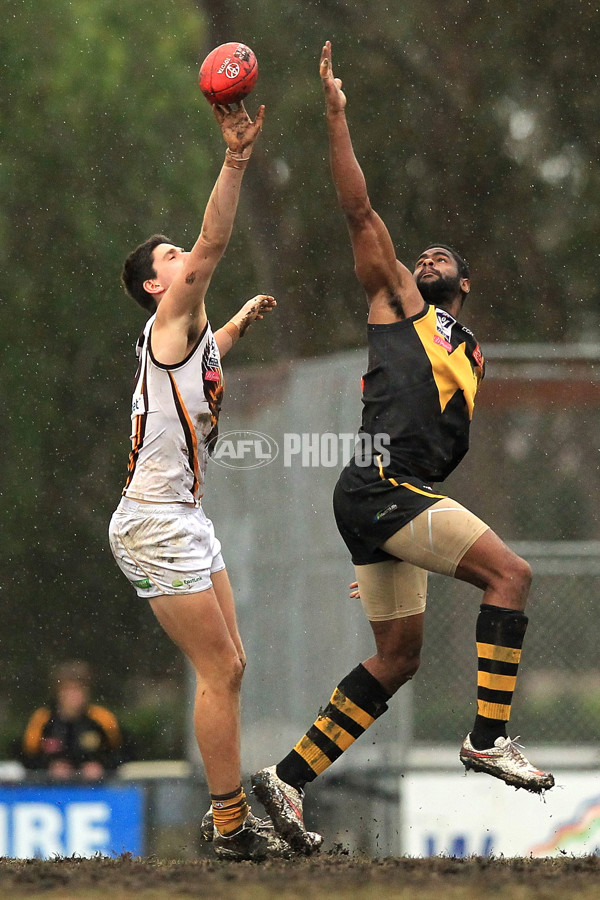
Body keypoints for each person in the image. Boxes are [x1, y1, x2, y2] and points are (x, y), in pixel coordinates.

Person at [251, 41, 554, 855]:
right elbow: (358, 211)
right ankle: (490, 738)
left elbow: (441, 437)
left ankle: (284, 782)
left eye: (440, 257)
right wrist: (337, 118)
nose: (425, 258)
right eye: (419, 257)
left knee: (399, 656)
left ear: (467, 280)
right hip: (383, 487)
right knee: (511, 575)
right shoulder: (401, 305)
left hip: (387, 501)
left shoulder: (469, 345)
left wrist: (392, 540)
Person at [108, 99, 312, 861]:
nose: (181, 259)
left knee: (234, 665)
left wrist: (237, 326)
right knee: (219, 667)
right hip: (153, 520)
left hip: (184, 517)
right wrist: (234, 161)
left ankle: (227, 818)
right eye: (168, 258)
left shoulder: (187, 333)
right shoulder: (169, 320)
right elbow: (216, 239)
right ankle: (230, 825)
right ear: (157, 288)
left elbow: (202, 357)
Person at [22, 660, 122, 780]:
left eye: (78, 689)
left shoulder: (102, 718)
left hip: (97, 791)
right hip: (51, 790)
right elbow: (26, 757)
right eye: (68, 690)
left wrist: (101, 766)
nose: (74, 696)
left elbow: (121, 753)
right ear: (58, 692)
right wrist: (49, 767)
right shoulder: (42, 719)